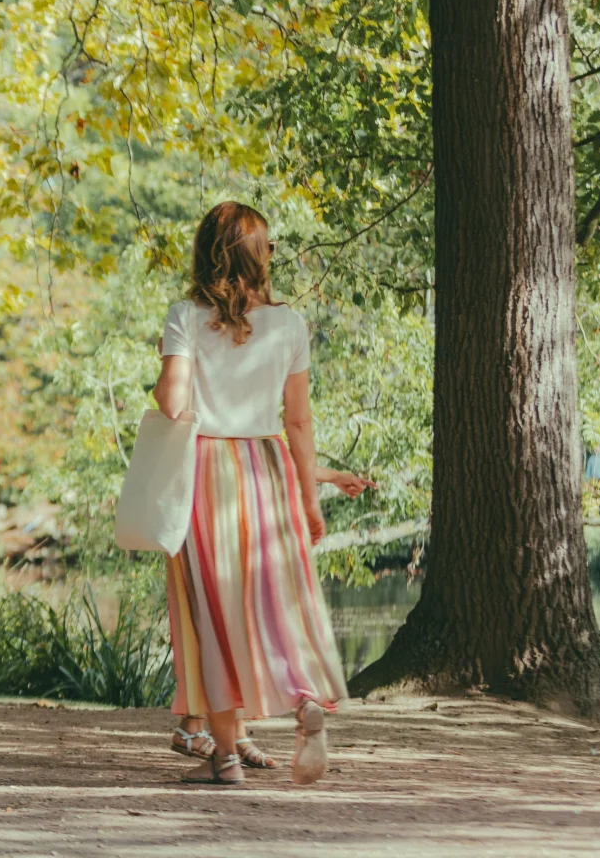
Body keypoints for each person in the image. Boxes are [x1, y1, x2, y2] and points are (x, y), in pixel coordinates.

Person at [152, 201, 370, 787]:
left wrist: (170, 370)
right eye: (269, 246)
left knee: (212, 613)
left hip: (204, 472)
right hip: (267, 467)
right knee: (277, 605)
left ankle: (224, 757)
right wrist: (310, 499)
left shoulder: (186, 317)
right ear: (255, 255)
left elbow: (172, 405)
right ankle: (303, 704)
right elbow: (299, 422)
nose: (274, 255)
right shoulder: (290, 325)